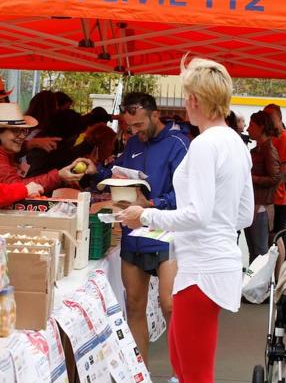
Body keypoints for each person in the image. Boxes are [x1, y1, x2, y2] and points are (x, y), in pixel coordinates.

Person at [119, 57, 253, 383]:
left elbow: (197, 214)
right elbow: (243, 213)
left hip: (201, 269)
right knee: (186, 366)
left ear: (193, 100)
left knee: (192, 372)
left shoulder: (207, 144)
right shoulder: (234, 141)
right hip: (208, 264)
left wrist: (145, 215)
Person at [92, 92, 190, 368]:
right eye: (129, 127)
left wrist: (153, 205)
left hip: (166, 233)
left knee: (170, 305)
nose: (134, 132)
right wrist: (97, 170)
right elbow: (119, 175)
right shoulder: (133, 143)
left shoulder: (179, 143)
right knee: (134, 308)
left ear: (155, 115)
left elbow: (187, 196)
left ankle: (182, 372)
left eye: (138, 126)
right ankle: (141, 373)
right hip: (133, 235)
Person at [0, 103, 94, 193]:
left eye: (24, 130)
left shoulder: (3, 147)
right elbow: (16, 187)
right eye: (15, 130)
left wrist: (33, 143)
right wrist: (59, 176)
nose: (23, 136)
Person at [244, 110, 280, 264]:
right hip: (253, 206)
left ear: (261, 127)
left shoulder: (268, 149)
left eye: (251, 125)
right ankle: (253, 286)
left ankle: (261, 286)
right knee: (254, 253)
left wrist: (251, 178)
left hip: (261, 208)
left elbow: (275, 177)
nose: (248, 128)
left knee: (260, 253)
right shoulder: (258, 149)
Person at [264, 103, 286, 258]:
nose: (268, 120)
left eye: (271, 117)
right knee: (274, 238)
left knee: (278, 237)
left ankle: (283, 273)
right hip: (271, 197)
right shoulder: (273, 138)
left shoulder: (285, 139)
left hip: (280, 198)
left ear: (279, 118)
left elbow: (284, 172)